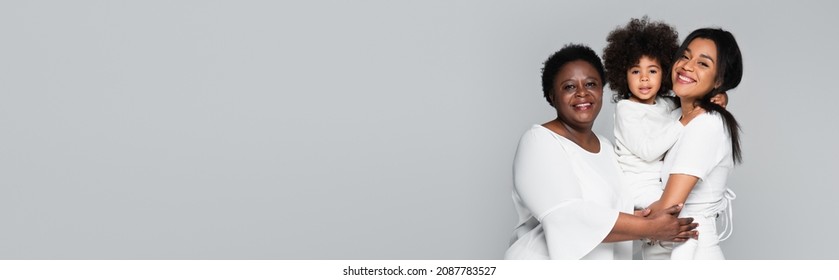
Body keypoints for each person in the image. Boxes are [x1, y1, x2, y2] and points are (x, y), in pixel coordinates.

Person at [504, 44, 698, 260]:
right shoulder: (539, 141)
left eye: (591, 84)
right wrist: (649, 227)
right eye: (569, 87)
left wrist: (650, 217)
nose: (582, 93)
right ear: (552, 96)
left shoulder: (606, 147)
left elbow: (611, 215)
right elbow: (567, 217)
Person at [646, 28, 744, 260]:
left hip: (692, 255)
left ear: (719, 80)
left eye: (703, 64)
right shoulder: (674, 117)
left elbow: (670, 206)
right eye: (685, 56)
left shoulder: (707, 124)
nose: (687, 66)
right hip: (665, 251)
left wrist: (608, 223)